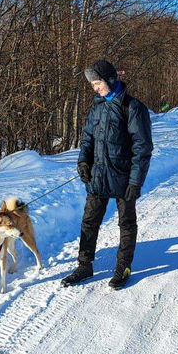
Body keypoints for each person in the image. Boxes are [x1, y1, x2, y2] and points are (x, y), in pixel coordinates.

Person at [61, 60, 153, 290]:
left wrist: (135, 181)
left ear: (110, 79)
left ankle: (123, 268)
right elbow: (88, 140)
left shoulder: (132, 108)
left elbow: (142, 148)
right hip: (98, 175)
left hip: (124, 177)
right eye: (92, 84)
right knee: (89, 221)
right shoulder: (97, 108)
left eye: (97, 82)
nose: (95, 88)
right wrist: (83, 161)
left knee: (126, 222)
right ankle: (84, 265)